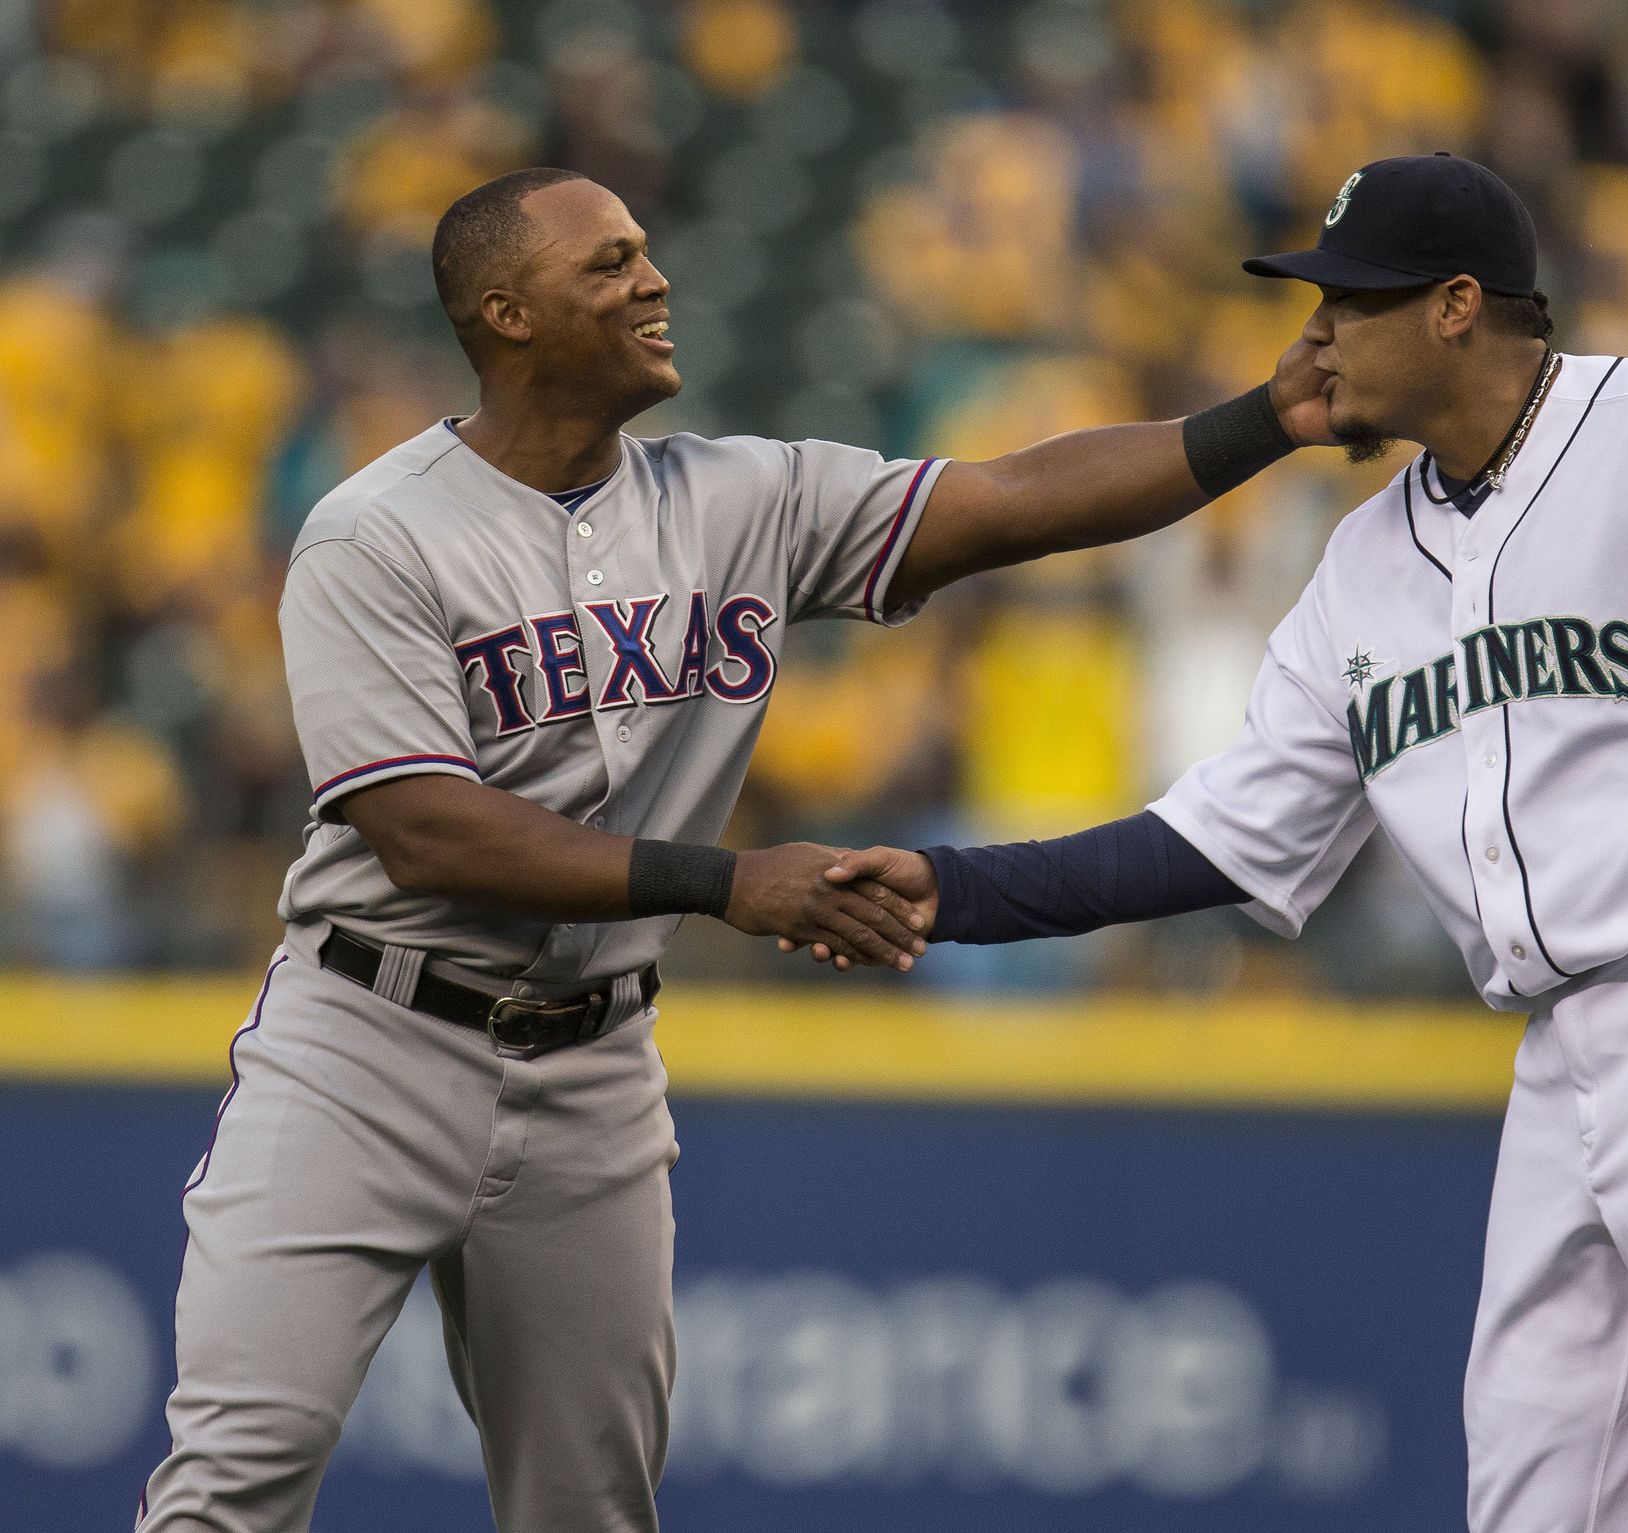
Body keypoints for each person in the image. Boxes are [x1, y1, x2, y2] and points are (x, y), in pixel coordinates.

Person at [135, 166, 1328, 1532]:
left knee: (589, 1510)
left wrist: (1267, 421)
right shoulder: (375, 532)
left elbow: (1009, 498)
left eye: (647, 252)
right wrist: (728, 883)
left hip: (589, 1063)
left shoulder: (738, 500)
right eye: (611, 264)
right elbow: (425, 830)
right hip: (369, 1039)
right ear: (506, 313)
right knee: (235, 1485)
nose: (653, 281)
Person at [816, 153, 1628, 1532]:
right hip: (1561, 1045)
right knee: (1540, 1483)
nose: (1317, 335)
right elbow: (1212, 841)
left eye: (1350, 302)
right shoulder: (1364, 563)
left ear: (1458, 306)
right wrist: (953, 890)